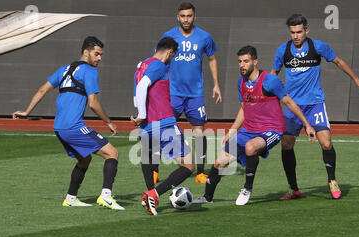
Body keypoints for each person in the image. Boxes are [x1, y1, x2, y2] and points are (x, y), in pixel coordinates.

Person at [193, 45, 316, 205]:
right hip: (248, 130)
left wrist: (307, 125)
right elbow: (244, 108)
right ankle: (207, 197)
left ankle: (247, 188)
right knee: (219, 162)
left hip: (271, 130)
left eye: (246, 61)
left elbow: (288, 102)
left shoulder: (270, 81)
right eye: (239, 62)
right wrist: (232, 131)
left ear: (255, 62)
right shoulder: (241, 83)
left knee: (251, 147)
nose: (242, 65)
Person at [12, 36, 124, 210]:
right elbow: (93, 103)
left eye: (101, 55)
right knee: (112, 154)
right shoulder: (90, 71)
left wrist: (27, 112)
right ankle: (106, 196)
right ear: (86, 52)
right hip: (73, 127)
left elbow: (42, 90)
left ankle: (71, 198)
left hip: (59, 128)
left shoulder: (64, 69)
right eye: (97, 54)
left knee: (84, 159)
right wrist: (108, 122)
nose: (99, 58)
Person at [271, 14, 359, 200]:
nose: (295, 36)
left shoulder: (318, 47)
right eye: (292, 32)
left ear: (306, 30)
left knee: (326, 143)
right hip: (293, 106)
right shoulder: (282, 50)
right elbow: (272, 75)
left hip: (314, 104)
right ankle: (293, 188)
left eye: (299, 32)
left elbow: (339, 61)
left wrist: (356, 79)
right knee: (286, 144)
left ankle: (332, 180)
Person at [159, 2, 222, 184]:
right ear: (177, 17)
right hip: (173, 93)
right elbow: (158, 61)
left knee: (199, 131)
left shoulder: (205, 37)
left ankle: (201, 173)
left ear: (194, 16)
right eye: (183, 16)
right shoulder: (168, 36)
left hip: (195, 94)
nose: (186, 19)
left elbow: (212, 59)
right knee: (162, 129)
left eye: (189, 16)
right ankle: (154, 169)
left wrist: (216, 84)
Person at [131, 37, 195, 216]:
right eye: (172, 56)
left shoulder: (140, 66)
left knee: (147, 157)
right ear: (169, 52)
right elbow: (144, 86)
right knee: (189, 166)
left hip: (146, 126)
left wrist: (140, 116)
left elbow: (137, 96)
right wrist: (143, 114)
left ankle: (150, 195)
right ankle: (154, 194)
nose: (171, 60)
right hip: (163, 123)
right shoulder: (159, 65)